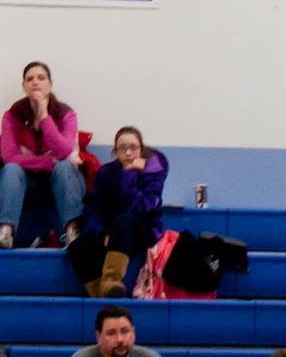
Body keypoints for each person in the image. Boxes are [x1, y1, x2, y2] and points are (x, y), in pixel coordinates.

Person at [67, 125, 168, 299]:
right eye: (122, 148)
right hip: (112, 232)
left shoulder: (153, 173)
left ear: (141, 149)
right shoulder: (105, 172)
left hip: (143, 231)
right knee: (78, 246)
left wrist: (129, 173)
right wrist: (102, 232)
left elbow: (136, 208)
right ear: (115, 152)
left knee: (125, 220)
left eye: (133, 148)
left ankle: (112, 279)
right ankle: (101, 294)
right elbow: (92, 208)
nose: (128, 153)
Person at [0, 61, 85, 249]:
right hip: (28, 186)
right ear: (24, 86)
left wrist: (44, 115)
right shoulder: (12, 115)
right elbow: (9, 157)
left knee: (64, 167)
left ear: (50, 84)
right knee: (11, 169)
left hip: (62, 183)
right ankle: (5, 232)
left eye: (41, 78)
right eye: (30, 79)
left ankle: (73, 232)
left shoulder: (66, 114)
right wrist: (48, 162)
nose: (35, 83)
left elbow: (64, 151)